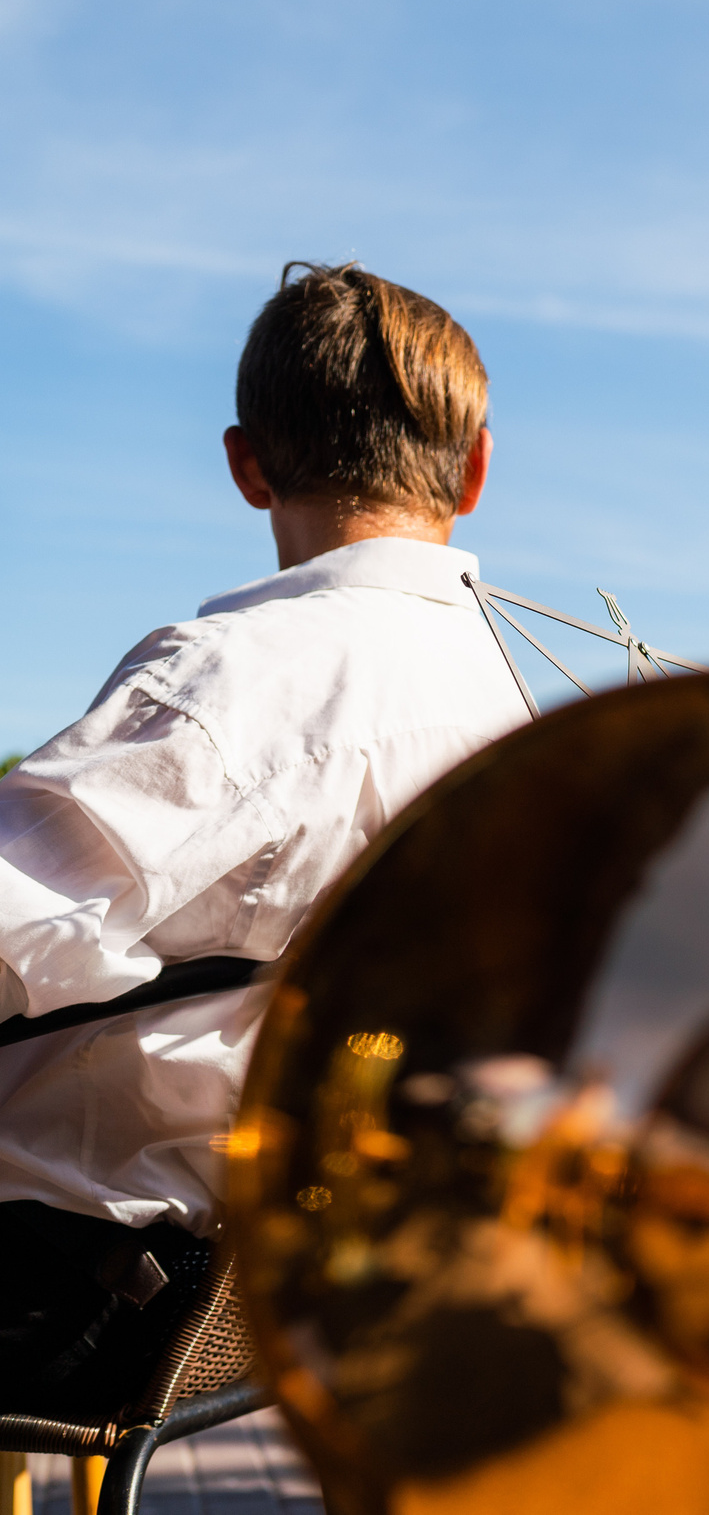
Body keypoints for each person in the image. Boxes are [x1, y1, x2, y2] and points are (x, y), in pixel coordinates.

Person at [0, 262, 526, 1411]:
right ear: (475, 470)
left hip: (76, 1280)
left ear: (246, 466)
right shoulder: (509, 713)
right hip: (266, 1289)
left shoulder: (229, 680)